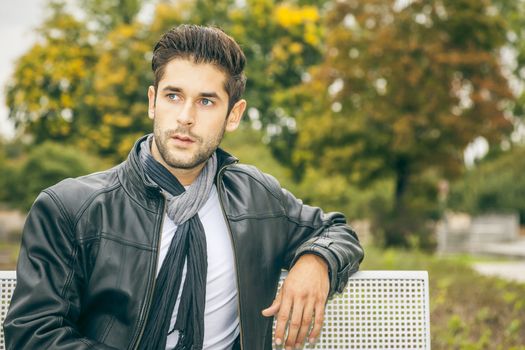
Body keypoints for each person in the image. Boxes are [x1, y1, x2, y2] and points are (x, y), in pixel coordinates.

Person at [4, 24, 364, 350]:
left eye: (206, 101)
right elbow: (33, 333)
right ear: (152, 101)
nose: (185, 117)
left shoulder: (255, 196)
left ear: (234, 115)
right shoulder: (71, 207)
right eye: (173, 96)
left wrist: (316, 260)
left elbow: (336, 231)